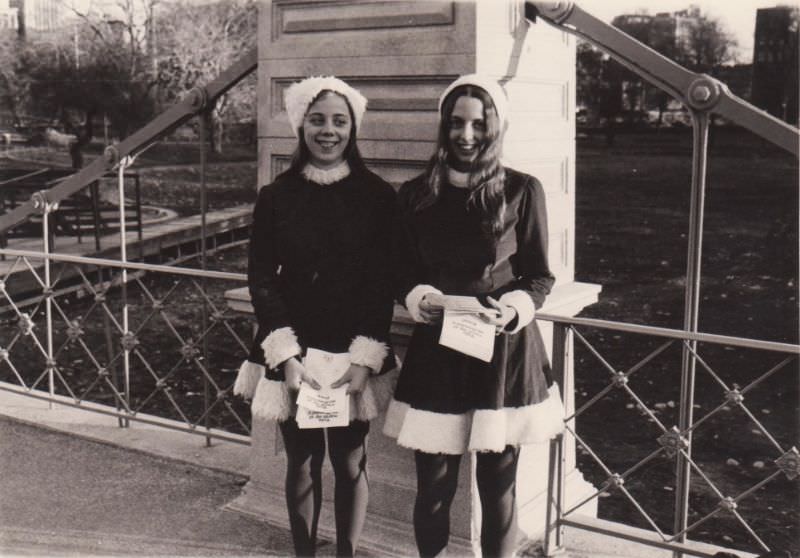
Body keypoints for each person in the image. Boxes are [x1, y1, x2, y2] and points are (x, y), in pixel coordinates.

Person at [383, 74, 564, 557]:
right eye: (457, 123)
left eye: (479, 124)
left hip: (502, 356)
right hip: (439, 354)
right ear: (444, 127)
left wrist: (517, 306)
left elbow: (540, 276)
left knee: (498, 493)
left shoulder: (522, 191)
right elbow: (401, 271)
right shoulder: (415, 195)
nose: (467, 135)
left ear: (496, 127)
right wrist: (418, 297)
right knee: (434, 491)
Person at [233, 76, 397, 557]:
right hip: (296, 347)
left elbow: (381, 282)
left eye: (339, 121)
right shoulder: (277, 195)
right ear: (301, 125)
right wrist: (285, 355)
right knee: (302, 461)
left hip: (350, 349)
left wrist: (365, 358)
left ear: (353, 128)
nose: (328, 131)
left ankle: (345, 552)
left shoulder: (378, 196)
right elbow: (261, 277)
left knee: (349, 463)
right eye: (318, 120)